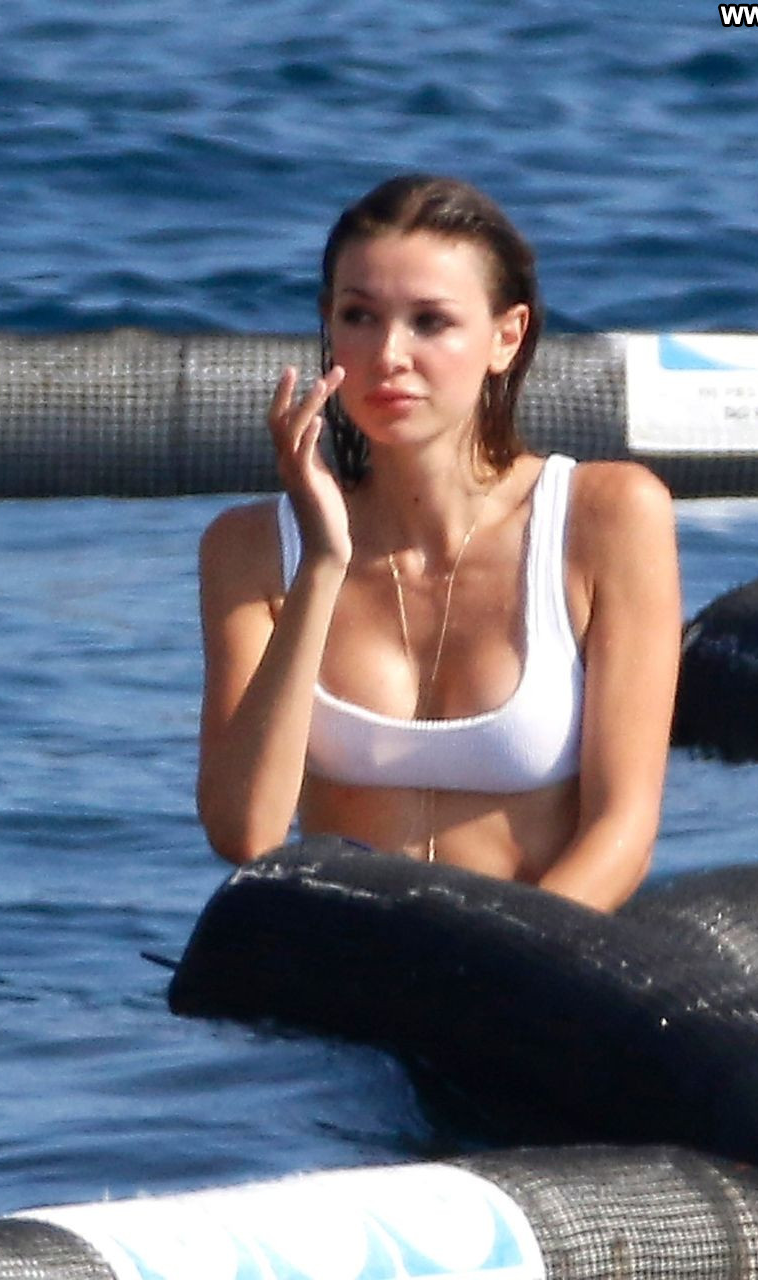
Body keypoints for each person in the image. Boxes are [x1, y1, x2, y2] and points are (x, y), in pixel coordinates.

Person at [195, 174, 680, 912]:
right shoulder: (253, 548)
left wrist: (497, 964)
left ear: (506, 337)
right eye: (359, 317)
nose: (388, 354)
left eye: (430, 322)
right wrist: (324, 563)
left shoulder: (607, 517)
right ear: (329, 325)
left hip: (537, 958)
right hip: (341, 961)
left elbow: (624, 831)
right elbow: (246, 834)